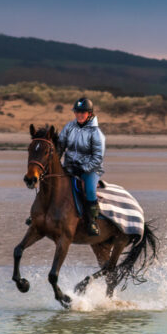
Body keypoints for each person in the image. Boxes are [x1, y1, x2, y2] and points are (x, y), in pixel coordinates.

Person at [58, 96, 106, 235]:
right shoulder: (69, 127)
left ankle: (92, 222)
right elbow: (60, 145)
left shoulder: (96, 133)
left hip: (91, 170)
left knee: (90, 190)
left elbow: (98, 157)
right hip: (69, 167)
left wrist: (83, 169)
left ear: (89, 114)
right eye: (77, 112)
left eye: (82, 112)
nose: (79, 115)